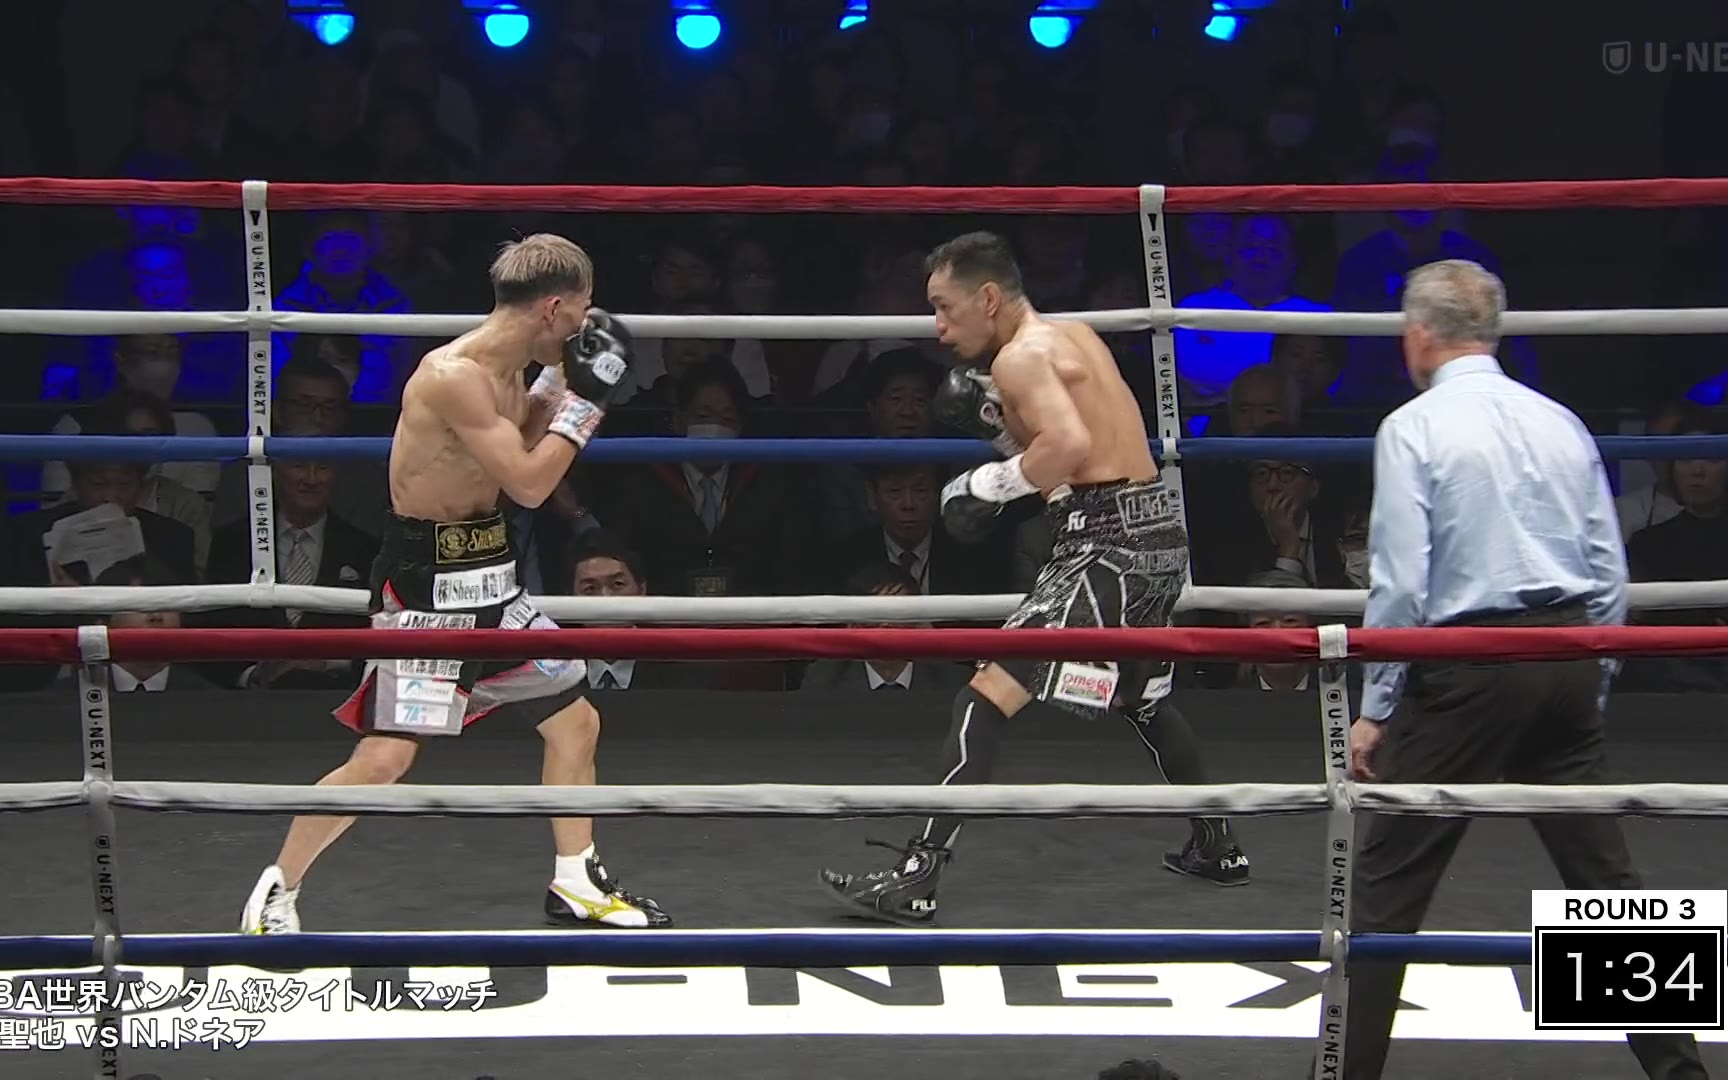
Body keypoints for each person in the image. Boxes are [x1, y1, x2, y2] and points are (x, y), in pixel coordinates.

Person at [239, 234, 672, 935]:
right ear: (553, 308)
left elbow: (522, 441)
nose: (584, 326)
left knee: (575, 720)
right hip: (428, 591)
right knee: (385, 759)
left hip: (492, 580)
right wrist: (586, 405)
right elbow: (529, 484)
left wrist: (561, 384)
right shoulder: (452, 375)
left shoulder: (513, 374)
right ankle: (276, 890)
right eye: (580, 311)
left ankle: (576, 882)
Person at [1341, 260, 1707, 1079]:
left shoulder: (1414, 426)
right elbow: (1608, 569)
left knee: (1388, 882)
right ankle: (1681, 1071)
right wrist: (1591, 674)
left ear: (1419, 335)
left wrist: (1378, 706)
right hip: (1567, 653)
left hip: (1467, 665)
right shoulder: (1559, 421)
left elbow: (1401, 581)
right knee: (1603, 876)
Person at [819, 232, 1248, 926]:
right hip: (1158, 534)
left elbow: (1069, 447)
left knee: (984, 698)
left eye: (944, 306)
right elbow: (1081, 453)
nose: (937, 326)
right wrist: (1003, 438)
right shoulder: (1073, 335)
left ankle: (917, 877)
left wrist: (989, 485)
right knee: (1139, 698)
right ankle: (1217, 844)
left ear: (988, 297)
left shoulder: (1019, 358)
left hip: (1105, 548)